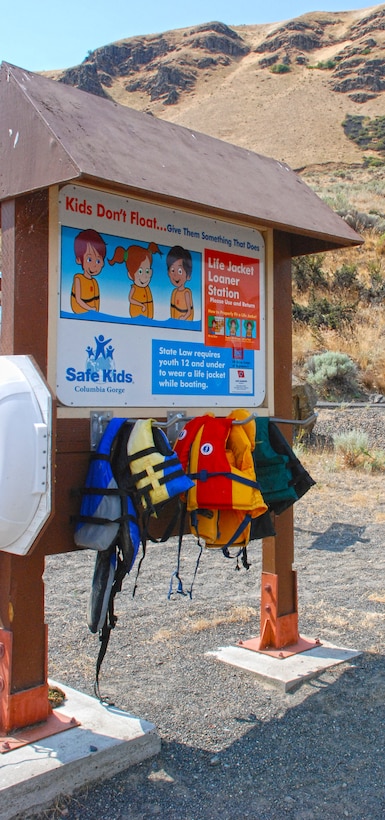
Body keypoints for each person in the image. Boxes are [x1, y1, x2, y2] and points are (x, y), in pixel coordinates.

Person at [108, 241, 161, 318]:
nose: (145, 276)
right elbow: (130, 299)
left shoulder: (147, 288)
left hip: (149, 317)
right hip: (138, 316)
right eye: (140, 271)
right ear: (130, 275)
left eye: (147, 271)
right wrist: (141, 305)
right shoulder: (135, 288)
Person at [71, 229, 106, 314]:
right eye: (89, 259)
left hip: (91, 315)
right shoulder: (78, 279)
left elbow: (97, 301)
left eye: (98, 261)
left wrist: (95, 314)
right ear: (79, 260)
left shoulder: (94, 282)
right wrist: (90, 308)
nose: (94, 265)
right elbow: (78, 300)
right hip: (80, 313)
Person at [167, 246, 194, 320]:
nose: (175, 275)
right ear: (168, 273)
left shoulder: (186, 293)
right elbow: (172, 310)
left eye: (180, 271)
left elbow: (189, 311)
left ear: (188, 276)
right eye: (172, 270)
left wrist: (184, 318)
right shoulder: (174, 292)